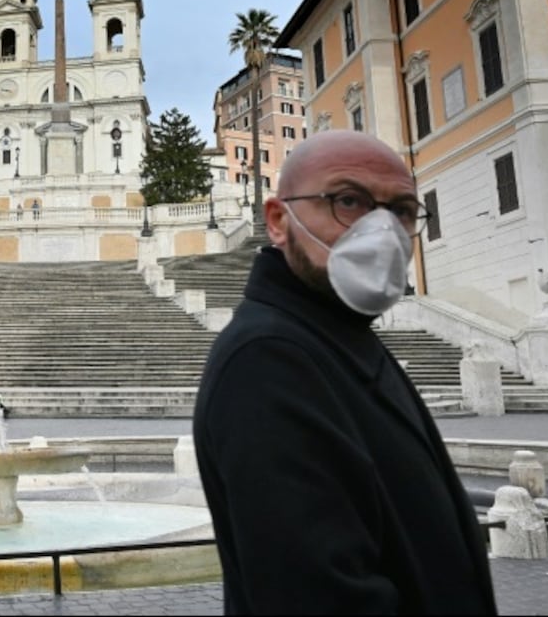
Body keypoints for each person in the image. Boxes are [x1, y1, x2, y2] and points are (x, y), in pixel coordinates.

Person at [192, 130, 497, 615]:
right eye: (348, 201)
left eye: (401, 210)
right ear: (277, 220)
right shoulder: (267, 362)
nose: (382, 229)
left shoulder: (338, 333)